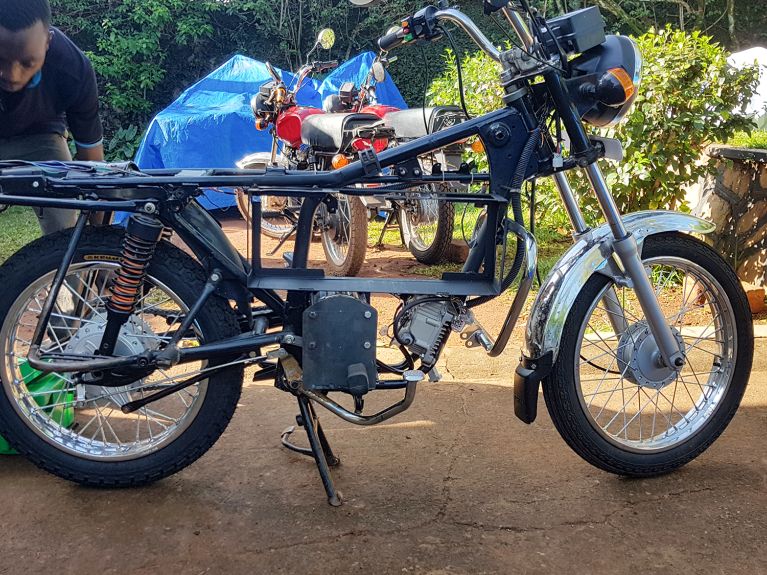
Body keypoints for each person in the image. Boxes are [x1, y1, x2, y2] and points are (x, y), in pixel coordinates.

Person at [0, 0, 105, 235]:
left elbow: (91, 161)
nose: (12, 75)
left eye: (28, 62)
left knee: (62, 228)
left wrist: (101, 238)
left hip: (41, 137)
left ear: (47, 41)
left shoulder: (73, 69)